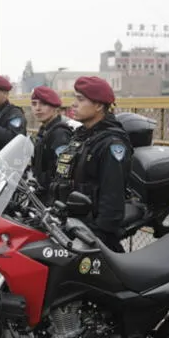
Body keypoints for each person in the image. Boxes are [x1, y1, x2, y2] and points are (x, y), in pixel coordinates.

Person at [50, 76, 133, 253]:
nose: (74, 104)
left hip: (92, 235)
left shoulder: (111, 143)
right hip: (70, 225)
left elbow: (113, 196)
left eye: (80, 99)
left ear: (98, 105)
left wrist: (97, 237)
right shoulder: (82, 135)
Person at [30, 86, 73, 204]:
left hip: (54, 198)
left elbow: (63, 171)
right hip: (43, 193)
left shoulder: (59, 133)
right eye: (34, 104)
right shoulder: (45, 130)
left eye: (43, 104)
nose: (37, 108)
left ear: (55, 107)